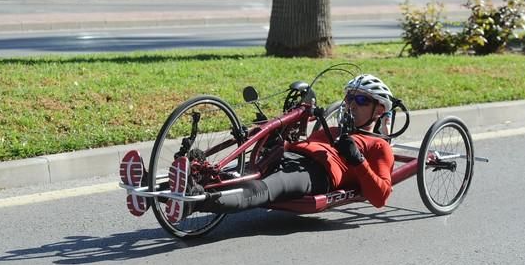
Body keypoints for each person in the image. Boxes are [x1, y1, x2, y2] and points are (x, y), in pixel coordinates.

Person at [120, 74, 396, 223]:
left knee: (260, 191)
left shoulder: (379, 146)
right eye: (349, 97)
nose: (351, 104)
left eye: (360, 99)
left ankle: (192, 204)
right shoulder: (333, 128)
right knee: (227, 176)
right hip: (288, 154)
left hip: (313, 174)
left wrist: (357, 159)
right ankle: (150, 189)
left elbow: (381, 195)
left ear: (379, 110)